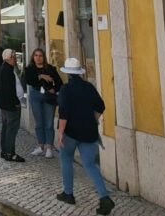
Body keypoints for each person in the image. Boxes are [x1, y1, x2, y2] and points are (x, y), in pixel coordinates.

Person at [56, 57, 114, 215]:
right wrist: (93, 120)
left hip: (71, 132)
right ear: (79, 73)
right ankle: (104, 197)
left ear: (67, 73)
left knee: (66, 159)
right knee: (89, 164)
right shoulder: (89, 87)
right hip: (89, 132)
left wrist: (60, 133)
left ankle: (68, 193)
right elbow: (101, 106)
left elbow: (63, 113)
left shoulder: (66, 89)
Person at [24, 47, 63, 157]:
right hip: (35, 95)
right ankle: (40, 146)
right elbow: (27, 80)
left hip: (49, 97)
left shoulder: (50, 68)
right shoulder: (30, 69)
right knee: (39, 122)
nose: (38, 58)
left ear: (43, 57)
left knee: (49, 123)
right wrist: (40, 76)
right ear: (33, 57)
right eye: (36, 55)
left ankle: (49, 147)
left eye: (40, 55)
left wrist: (54, 89)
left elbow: (60, 83)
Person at [0, 48, 25, 161]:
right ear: (8, 58)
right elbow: (9, 89)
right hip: (11, 105)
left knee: (6, 128)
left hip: (5, 104)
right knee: (11, 129)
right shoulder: (7, 70)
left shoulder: (5, 68)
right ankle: (9, 153)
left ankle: (5, 151)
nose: (15, 59)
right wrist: (16, 103)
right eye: (13, 57)